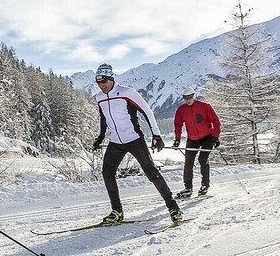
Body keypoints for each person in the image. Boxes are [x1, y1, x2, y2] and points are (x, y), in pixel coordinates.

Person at [91, 64, 183, 224]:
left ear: (111, 78)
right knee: (107, 173)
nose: (101, 85)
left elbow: (147, 111)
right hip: (116, 142)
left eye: (104, 81)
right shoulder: (99, 98)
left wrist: (156, 135)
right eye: (98, 82)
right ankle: (117, 211)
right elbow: (103, 118)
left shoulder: (127, 93)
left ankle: (173, 207)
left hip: (134, 139)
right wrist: (100, 137)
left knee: (150, 171)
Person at [172, 87, 221, 198]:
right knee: (188, 162)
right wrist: (177, 139)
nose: (188, 100)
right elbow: (178, 124)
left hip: (207, 137)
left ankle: (205, 185)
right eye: (185, 98)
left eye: (190, 97)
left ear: (194, 96)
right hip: (192, 138)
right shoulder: (181, 109)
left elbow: (216, 121)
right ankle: (188, 188)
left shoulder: (205, 106)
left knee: (202, 159)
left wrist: (216, 136)